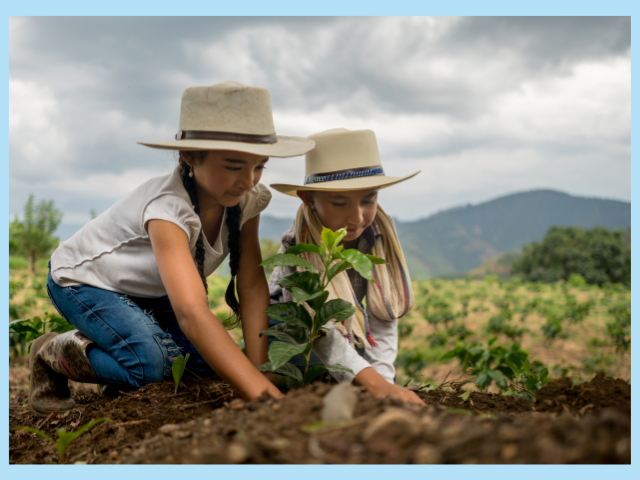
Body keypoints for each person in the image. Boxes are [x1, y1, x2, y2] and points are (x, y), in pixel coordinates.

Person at [29, 81, 315, 416]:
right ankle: (50, 351)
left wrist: (259, 373)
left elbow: (251, 285)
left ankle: (120, 365)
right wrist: (264, 398)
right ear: (190, 155)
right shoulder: (167, 208)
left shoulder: (248, 200)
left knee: (203, 368)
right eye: (234, 165)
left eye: (259, 166)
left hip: (150, 290)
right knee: (152, 366)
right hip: (86, 282)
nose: (249, 180)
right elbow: (191, 312)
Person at [268, 128, 424, 405]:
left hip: (344, 336)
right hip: (296, 338)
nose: (357, 217)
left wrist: (384, 384)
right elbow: (321, 331)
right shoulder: (299, 246)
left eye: (369, 200)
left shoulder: (378, 236)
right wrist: (372, 383)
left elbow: (383, 313)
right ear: (308, 199)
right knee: (315, 370)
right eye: (340, 202)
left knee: (365, 369)